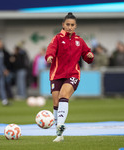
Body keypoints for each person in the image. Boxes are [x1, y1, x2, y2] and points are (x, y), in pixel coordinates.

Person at [45, 12, 94, 142]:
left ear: (75, 26)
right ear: (63, 25)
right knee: (56, 103)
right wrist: (49, 56)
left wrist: (90, 56)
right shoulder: (57, 38)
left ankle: (60, 125)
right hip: (56, 74)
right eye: (68, 24)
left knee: (63, 95)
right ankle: (59, 134)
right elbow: (50, 50)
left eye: (72, 25)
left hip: (73, 74)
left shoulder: (80, 41)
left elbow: (87, 54)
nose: (70, 27)